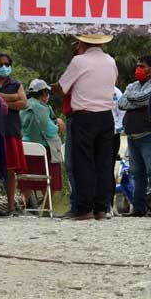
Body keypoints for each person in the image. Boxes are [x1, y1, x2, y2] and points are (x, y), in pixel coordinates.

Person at [53, 35, 118, 221]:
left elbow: (63, 87)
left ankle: (84, 208)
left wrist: (55, 88)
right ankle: (101, 207)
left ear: (81, 43)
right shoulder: (110, 61)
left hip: (84, 116)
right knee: (104, 163)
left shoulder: (79, 61)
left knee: (83, 163)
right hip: (106, 116)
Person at [117, 55, 151, 217]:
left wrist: (132, 99)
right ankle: (138, 208)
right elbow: (121, 103)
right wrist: (134, 101)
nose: (138, 69)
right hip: (132, 136)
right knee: (137, 174)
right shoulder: (133, 85)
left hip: (148, 134)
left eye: (142, 66)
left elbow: (147, 98)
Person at [0, 53, 28, 215]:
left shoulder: (15, 83)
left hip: (11, 129)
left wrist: (1, 100)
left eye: (7, 64)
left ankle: (11, 206)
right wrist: (12, 98)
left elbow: (23, 102)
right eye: (0, 64)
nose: (4, 67)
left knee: (11, 171)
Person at [20, 79, 64, 212]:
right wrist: (57, 125)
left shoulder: (23, 106)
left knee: (26, 181)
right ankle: (46, 208)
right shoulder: (41, 108)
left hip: (25, 146)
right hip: (43, 148)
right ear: (43, 93)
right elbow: (48, 129)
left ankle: (21, 206)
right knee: (52, 179)